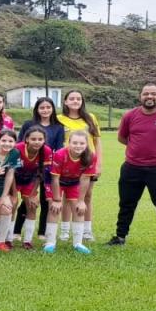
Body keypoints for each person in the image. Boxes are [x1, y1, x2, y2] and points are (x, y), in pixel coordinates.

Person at [109, 82, 156, 252]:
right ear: (140, 96)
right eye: (146, 94)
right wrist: (136, 148)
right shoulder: (129, 116)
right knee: (126, 203)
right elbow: (122, 138)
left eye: (153, 94)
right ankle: (120, 237)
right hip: (132, 167)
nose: (149, 97)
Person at [14, 97, 64, 245]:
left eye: (48, 107)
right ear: (37, 109)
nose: (45, 110)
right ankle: (16, 231)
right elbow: (20, 144)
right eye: (42, 107)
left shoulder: (58, 126)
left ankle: (42, 232)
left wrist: (50, 164)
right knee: (27, 200)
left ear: (53, 109)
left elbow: (59, 148)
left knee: (44, 201)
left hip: (47, 167)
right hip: (26, 168)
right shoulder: (29, 124)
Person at [57, 90, 102, 241]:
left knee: (87, 196)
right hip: (67, 163)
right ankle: (64, 230)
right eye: (72, 98)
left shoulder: (91, 118)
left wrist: (99, 164)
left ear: (82, 101)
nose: (75, 101)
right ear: (65, 101)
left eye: (78, 98)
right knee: (66, 197)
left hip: (87, 162)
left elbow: (97, 141)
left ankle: (86, 231)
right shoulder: (59, 119)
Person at [45, 130, 97, 254]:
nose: (78, 146)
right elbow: (55, 178)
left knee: (79, 209)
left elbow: (85, 179)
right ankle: (50, 242)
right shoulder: (60, 154)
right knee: (54, 208)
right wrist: (57, 200)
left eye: (81, 143)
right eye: (74, 143)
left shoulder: (91, 156)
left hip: (73, 182)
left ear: (86, 144)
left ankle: (78, 243)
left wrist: (81, 201)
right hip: (55, 181)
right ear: (69, 143)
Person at [13, 126, 53, 249]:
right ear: (27, 139)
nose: (37, 142)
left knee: (32, 206)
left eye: (40, 139)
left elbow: (39, 175)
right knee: (11, 205)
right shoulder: (17, 149)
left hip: (30, 181)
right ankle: (8, 239)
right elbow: (10, 173)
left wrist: (31, 194)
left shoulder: (46, 151)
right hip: (13, 180)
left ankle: (27, 241)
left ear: (44, 140)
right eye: (33, 139)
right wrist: (14, 194)